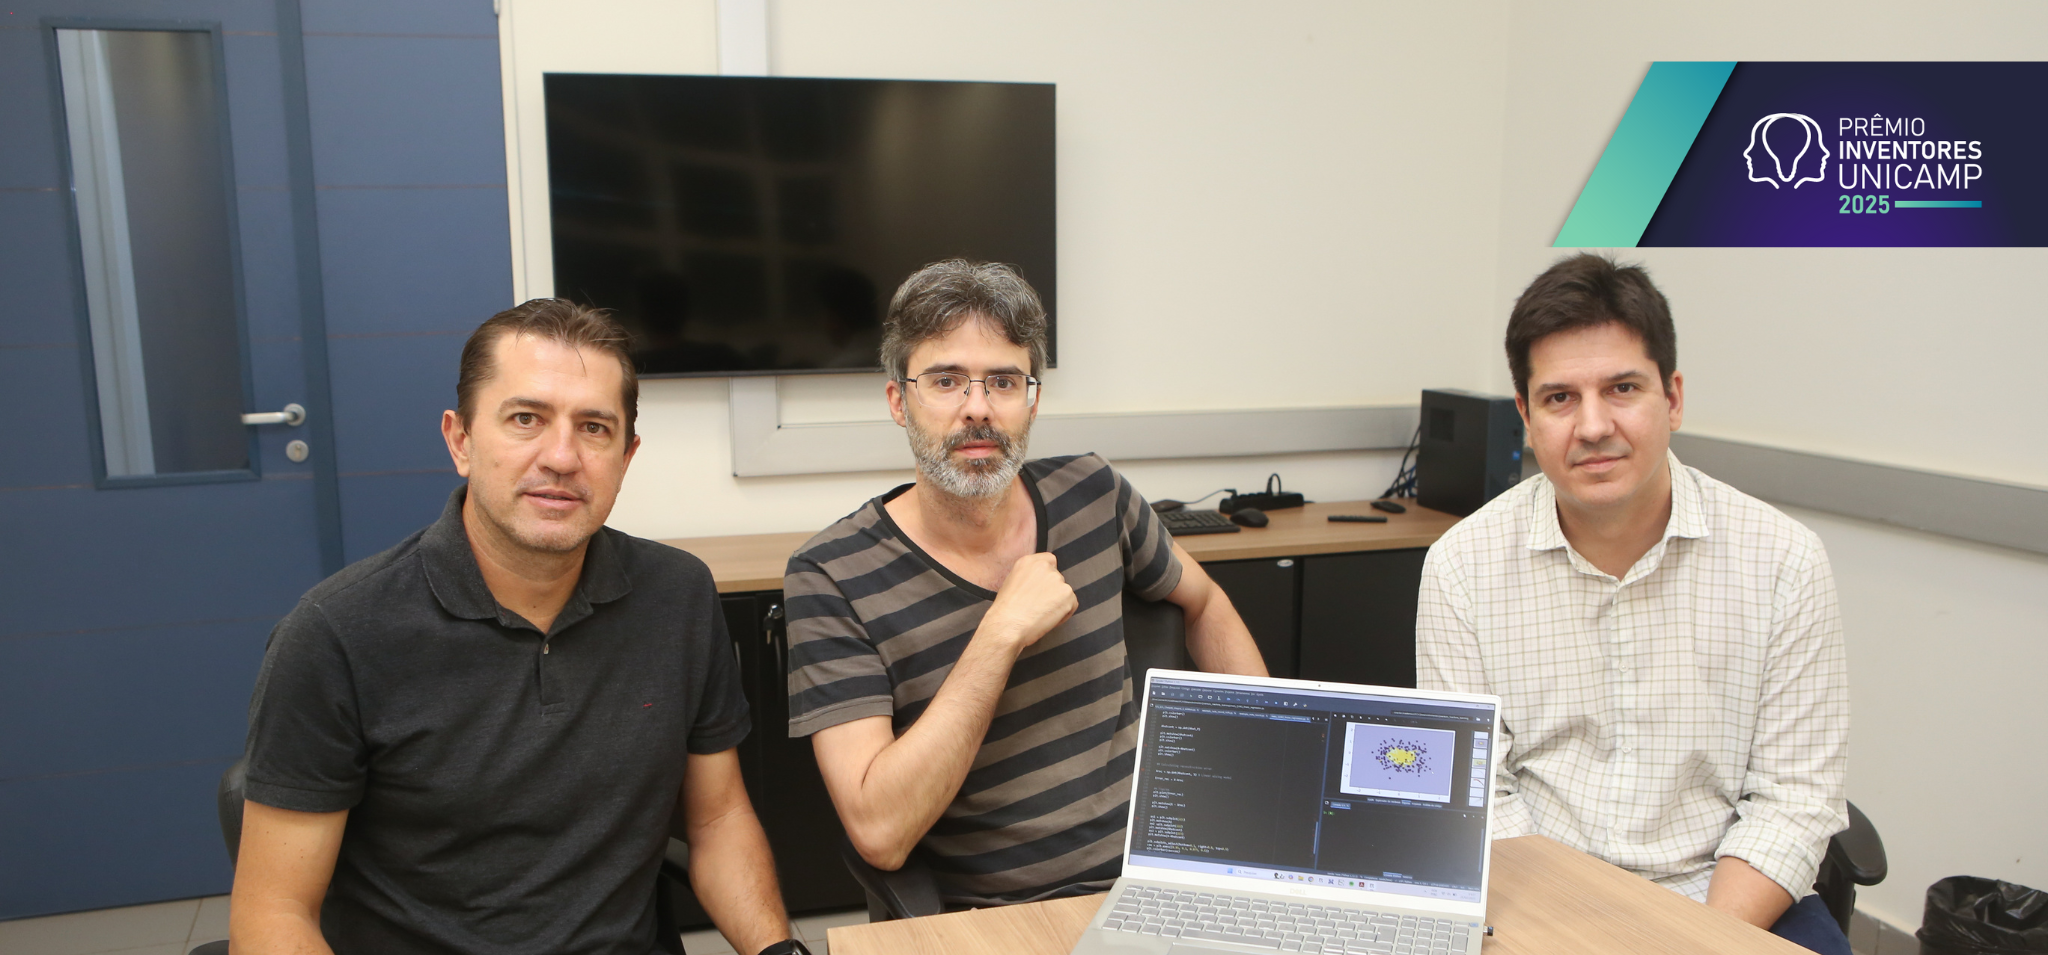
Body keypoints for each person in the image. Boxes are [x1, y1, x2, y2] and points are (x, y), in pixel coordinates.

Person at [230, 300, 809, 955]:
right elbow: (272, 914)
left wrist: (776, 949)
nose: (561, 456)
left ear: (626, 454)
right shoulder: (337, 633)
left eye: (594, 427)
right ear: (461, 440)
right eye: (526, 418)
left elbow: (718, 818)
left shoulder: (678, 596)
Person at [783, 260, 1269, 907]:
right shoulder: (829, 574)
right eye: (946, 380)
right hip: (997, 920)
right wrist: (1001, 631)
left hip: (1162, 887)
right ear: (900, 400)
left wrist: (1268, 781)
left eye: (1004, 381)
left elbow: (1206, 604)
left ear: (1032, 399)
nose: (977, 408)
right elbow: (881, 831)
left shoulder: (1095, 493)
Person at [1415, 254, 1851, 955]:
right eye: (1559, 398)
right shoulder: (1462, 566)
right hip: (1534, 901)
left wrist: (1691, 940)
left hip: (1726, 899)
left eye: (1622, 388)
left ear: (1673, 397)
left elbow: (1792, 801)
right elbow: (1477, 795)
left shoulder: (1784, 562)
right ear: (1526, 416)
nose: (1592, 426)